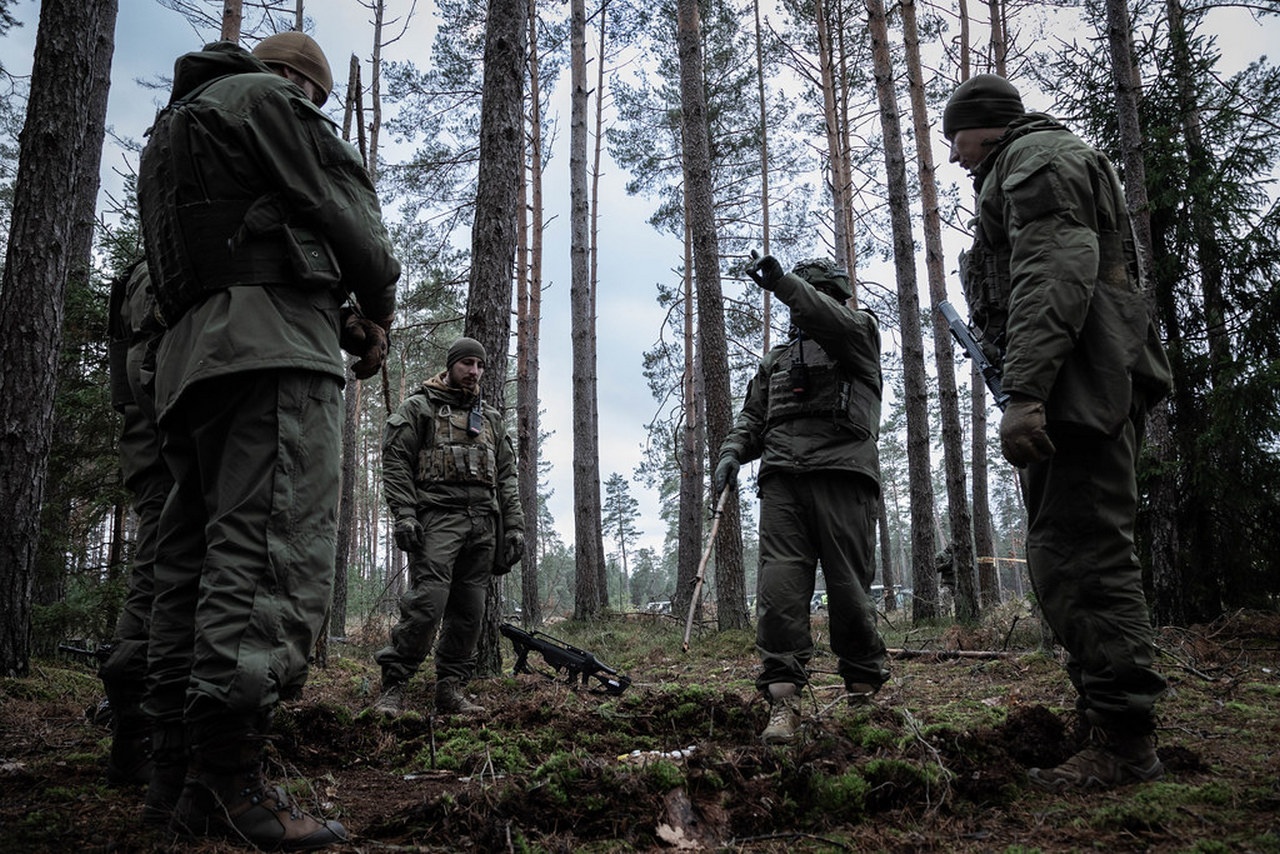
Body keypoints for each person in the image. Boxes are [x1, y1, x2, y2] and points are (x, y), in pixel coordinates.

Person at [136, 31, 400, 848]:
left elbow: (227, 247)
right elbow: (356, 226)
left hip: (190, 367)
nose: (315, 108)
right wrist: (375, 310)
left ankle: (172, 780)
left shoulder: (170, 130)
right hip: (272, 354)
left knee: (189, 563)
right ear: (302, 84)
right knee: (266, 552)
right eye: (316, 98)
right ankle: (229, 787)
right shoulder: (266, 102)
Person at [943, 73, 1173, 790]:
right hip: (1076, 384)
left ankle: (1125, 743)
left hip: (1077, 387)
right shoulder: (1031, 162)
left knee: (1083, 556)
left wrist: (1026, 393)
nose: (954, 157)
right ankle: (1106, 720)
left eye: (956, 138)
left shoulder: (1037, 162)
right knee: (1065, 550)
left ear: (984, 125)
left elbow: (1053, 276)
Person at [714, 256, 888, 745]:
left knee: (850, 593)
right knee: (779, 593)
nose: (797, 308)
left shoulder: (859, 335)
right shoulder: (777, 360)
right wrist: (731, 454)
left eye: (807, 295)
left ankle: (862, 696)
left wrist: (785, 284)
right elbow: (753, 418)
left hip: (842, 475)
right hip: (783, 481)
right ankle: (784, 703)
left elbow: (824, 316)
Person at [372, 337, 525, 718]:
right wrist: (405, 514)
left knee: (470, 612)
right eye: (466, 363)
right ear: (451, 365)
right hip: (438, 520)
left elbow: (506, 476)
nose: (473, 371)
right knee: (427, 606)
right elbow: (395, 463)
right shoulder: (419, 409)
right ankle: (393, 687)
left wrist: (514, 528)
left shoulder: (489, 418)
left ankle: (450, 689)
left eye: (480, 365)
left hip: (482, 525)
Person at [98, 259, 171, 795]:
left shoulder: (144, 271)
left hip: (157, 452)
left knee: (159, 582)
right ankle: (139, 736)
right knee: (160, 584)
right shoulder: (158, 270)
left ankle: (151, 735)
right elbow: (147, 372)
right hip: (168, 454)